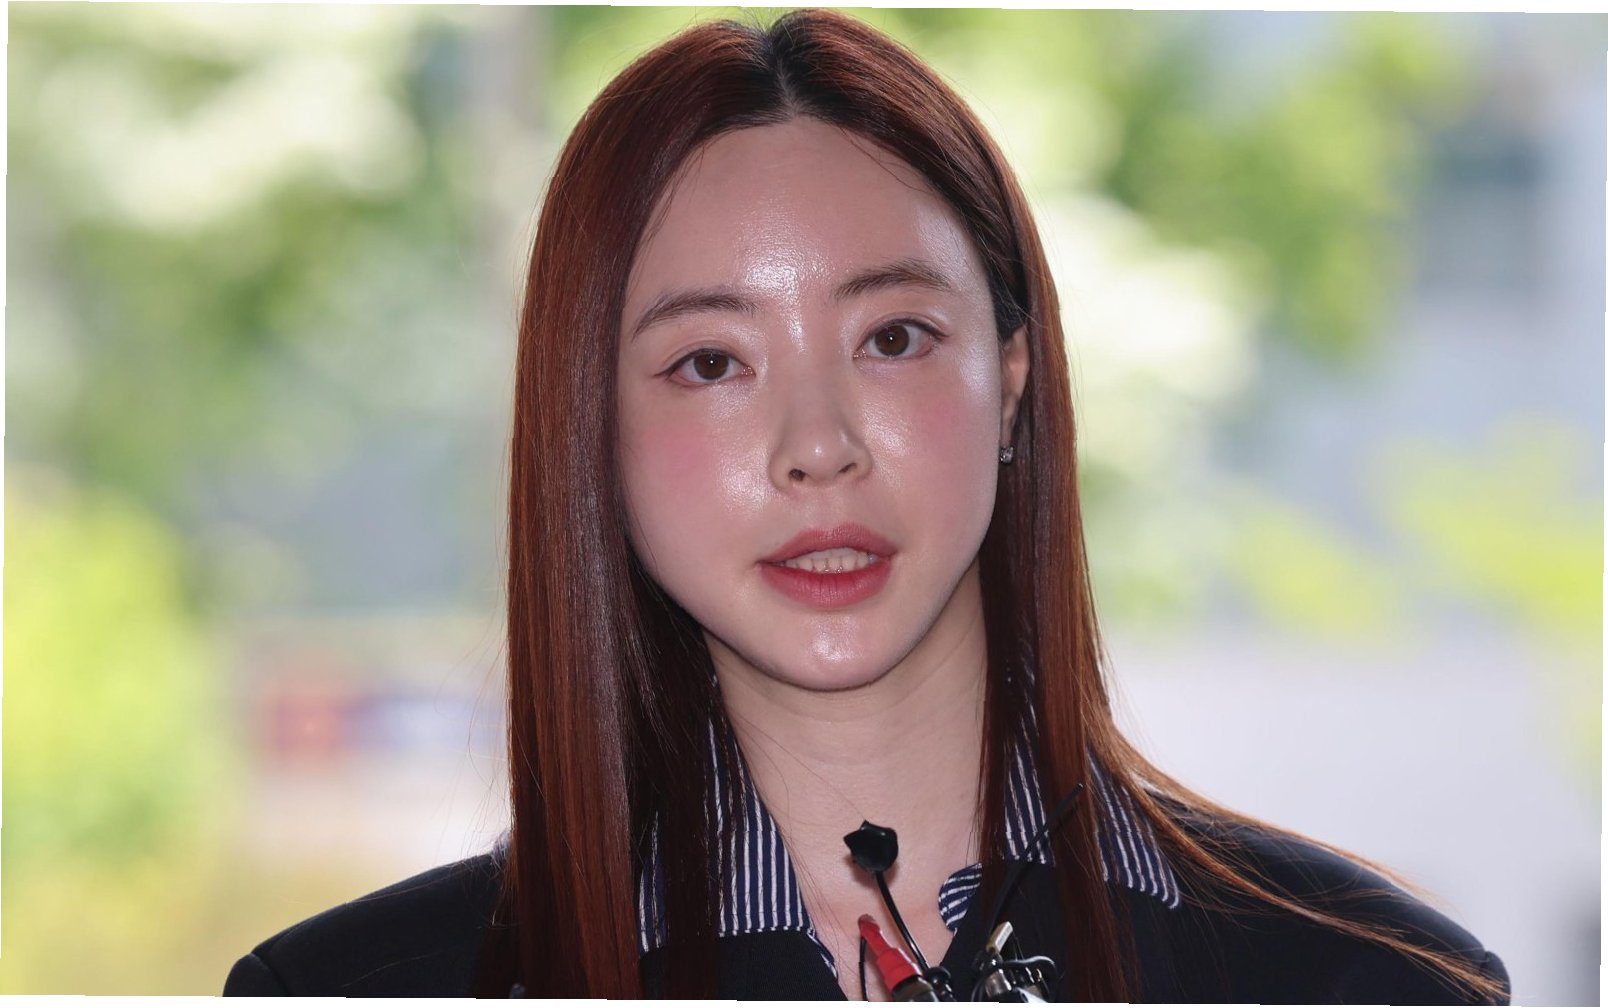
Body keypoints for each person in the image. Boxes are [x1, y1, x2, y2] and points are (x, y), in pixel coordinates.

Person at [223, 9, 1509, 1001]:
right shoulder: (356, 989)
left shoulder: (1370, 981)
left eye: (893, 338)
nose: (817, 449)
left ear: (1011, 384)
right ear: (591, 436)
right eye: (710, 362)